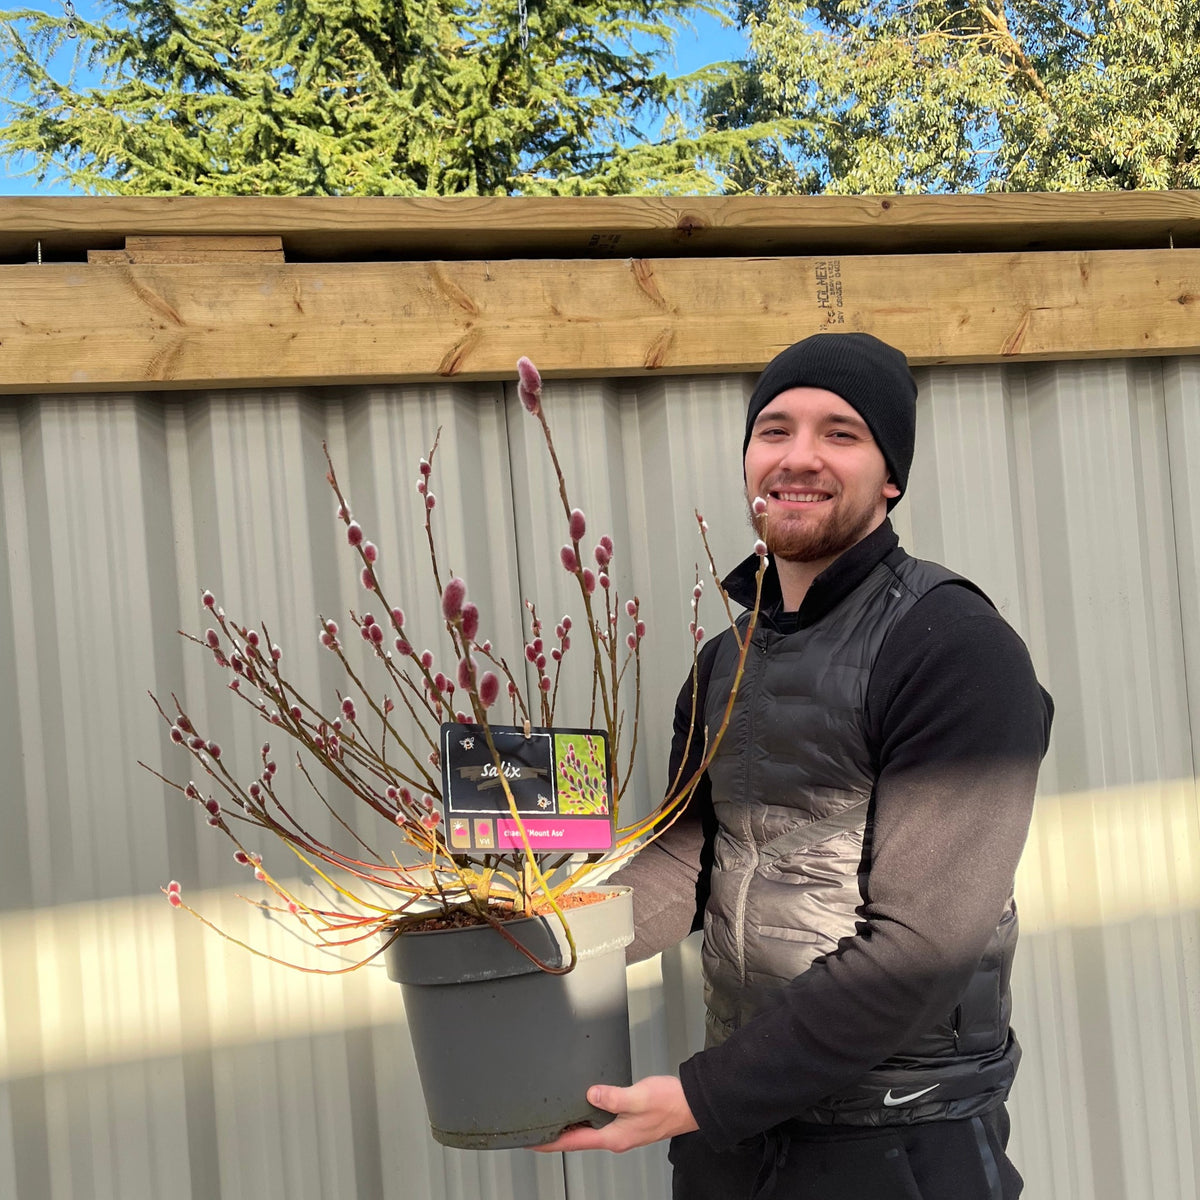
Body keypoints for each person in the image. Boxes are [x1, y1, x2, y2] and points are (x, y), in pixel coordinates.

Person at [535, 332, 1054, 1199]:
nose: (798, 457)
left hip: (895, 1144)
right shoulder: (724, 662)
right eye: (773, 430)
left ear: (892, 475)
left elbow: (923, 947)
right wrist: (537, 930)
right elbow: (686, 861)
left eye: (840, 433)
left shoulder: (953, 644)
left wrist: (703, 1095)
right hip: (739, 1146)